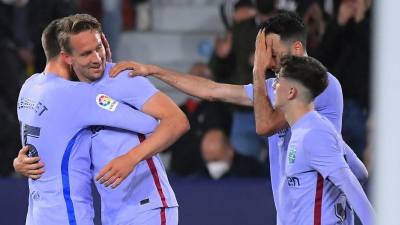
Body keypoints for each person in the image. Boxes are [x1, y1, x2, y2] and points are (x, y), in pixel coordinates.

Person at [109, 11, 368, 225]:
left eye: (274, 54)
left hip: (319, 213)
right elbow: (211, 90)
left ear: (297, 47)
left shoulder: (321, 85)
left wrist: (257, 70)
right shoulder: (276, 87)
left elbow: (264, 125)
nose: (270, 62)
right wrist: (153, 71)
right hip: (292, 211)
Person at [15, 14, 189, 225]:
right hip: (111, 212)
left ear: (105, 42)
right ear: (67, 57)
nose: (97, 58)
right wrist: (22, 162)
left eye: (98, 48)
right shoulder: (73, 93)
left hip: (147, 207)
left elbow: (176, 121)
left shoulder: (123, 78)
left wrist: (131, 158)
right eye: (86, 53)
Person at [271, 55, 373, 224]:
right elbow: (360, 172)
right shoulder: (317, 127)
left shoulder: (312, 134)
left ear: (291, 92)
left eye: (278, 80)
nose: (274, 85)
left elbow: (349, 183)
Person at [200, 129, 267, 180]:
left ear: (230, 151)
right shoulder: (199, 179)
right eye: (208, 161)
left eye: (216, 160)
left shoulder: (253, 170)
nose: (213, 165)